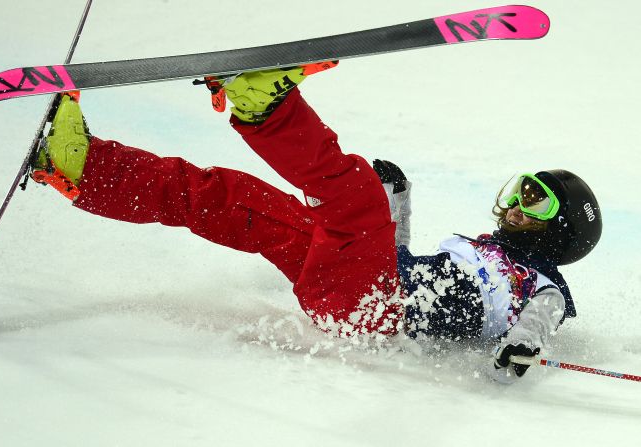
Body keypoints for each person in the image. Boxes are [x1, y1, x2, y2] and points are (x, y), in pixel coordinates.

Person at [32, 67, 602, 383]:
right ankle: (83, 166)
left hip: (376, 314)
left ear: (560, 233)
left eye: (537, 203)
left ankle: (264, 108)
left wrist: (522, 348)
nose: (516, 206)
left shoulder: (542, 283)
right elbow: (391, 259)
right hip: (360, 292)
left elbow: (539, 322)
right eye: (519, 190)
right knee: (232, 198)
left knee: (352, 196)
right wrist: (397, 201)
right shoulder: (474, 250)